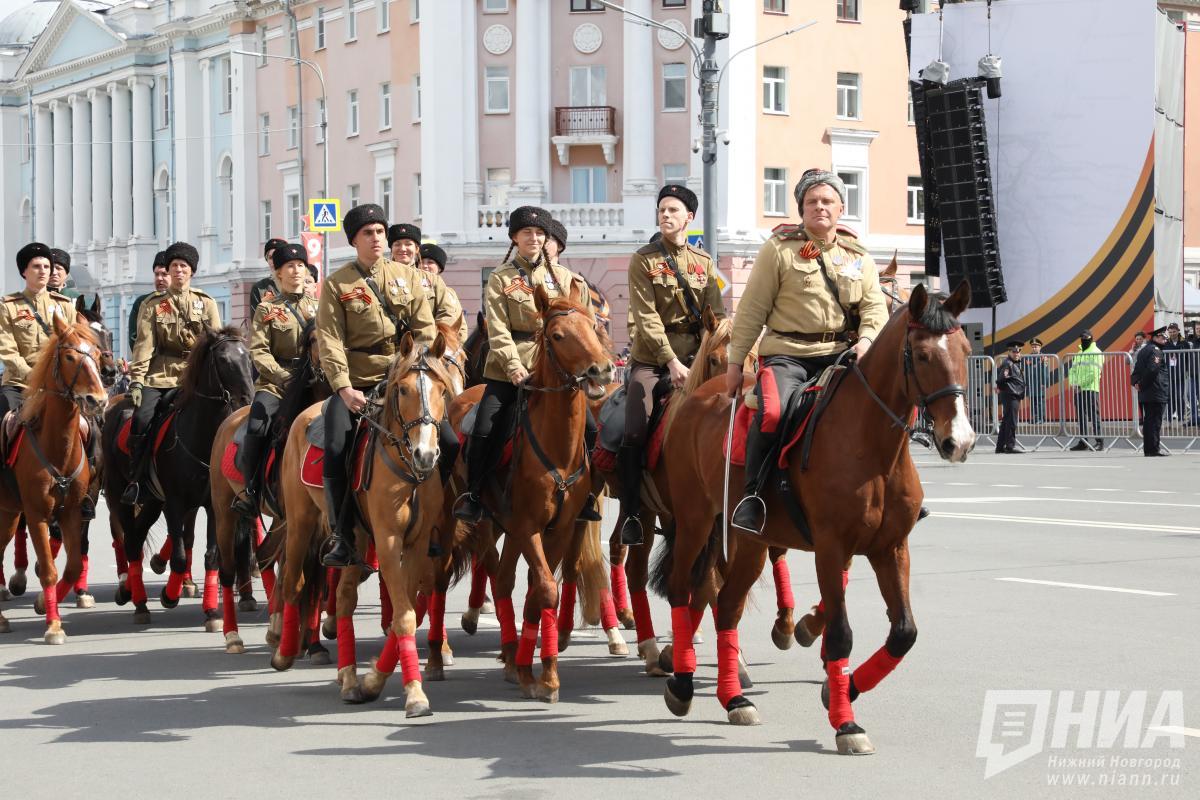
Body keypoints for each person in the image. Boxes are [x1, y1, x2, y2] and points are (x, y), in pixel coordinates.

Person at [726, 169, 888, 533]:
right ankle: (753, 496)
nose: (820, 207)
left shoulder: (858, 256)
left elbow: (875, 307)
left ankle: (894, 490)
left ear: (841, 207)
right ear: (801, 208)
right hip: (789, 354)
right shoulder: (778, 250)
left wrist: (866, 340)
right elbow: (752, 309)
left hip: (843, 354)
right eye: (812, 201)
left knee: (885, 407)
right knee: (773, 413)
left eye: (827, 200)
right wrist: (736, 362)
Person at [454, 206, 601, 525]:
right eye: (526, 233)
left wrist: (591, 362)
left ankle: (584, 493)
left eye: (539, 233)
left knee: (589, 427)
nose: (533, 238)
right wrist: (512, 367)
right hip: (511, 369)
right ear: (514, 238)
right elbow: (497, 327)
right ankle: (474, 494)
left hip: (559, 369)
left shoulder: (568, 280)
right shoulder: (500, 278)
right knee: (484, 427)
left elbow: (586, 327)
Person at [315, 204, 437, 568]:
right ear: (354, 240)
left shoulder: (408, 277)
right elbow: (329, 340)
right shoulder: (338, 284)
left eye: (380, 232)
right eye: (367, 233)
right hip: (358, 381)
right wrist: (342, 388)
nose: (376, 239)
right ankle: (341, 533)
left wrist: (414, 368)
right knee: (335, 442)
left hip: (402, 379)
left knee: (445, 439)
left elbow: (426, 329)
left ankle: (437, 524)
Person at [619, 184, 726, 544]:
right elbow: (646, 319)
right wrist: (671, 362)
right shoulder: (644, 260)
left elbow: (718, 316)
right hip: (652, 361)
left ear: (689, 218)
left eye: (673, 210)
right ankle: (632, 512)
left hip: (698, 357)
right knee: (634, 428)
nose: (665, 215)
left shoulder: (704, 263)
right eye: (662, 210)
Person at [123, 241, 222, 504]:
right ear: (167, 271)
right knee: (142, 419)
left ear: (192, 272)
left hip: (197, 376)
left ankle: (231, 477)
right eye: (174, 266)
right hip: (161, 376)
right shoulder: (153, 305)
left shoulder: (206, 303)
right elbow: (144, 346)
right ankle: (138, 478)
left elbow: (216, 345)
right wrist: (136, 382)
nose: (178, 271)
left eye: (184, 266)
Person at [232, 243, 320, 516]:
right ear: (278, 273)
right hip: (276, 383)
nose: (296, 271)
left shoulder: (320, 308)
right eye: (289, 267)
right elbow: (258, 351)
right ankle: (251, 490)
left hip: (315, 380)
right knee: (257, 426)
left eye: (300, 266)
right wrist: (283, 378)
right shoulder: (267, 309)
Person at [0, 242, 78, 423]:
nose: (43, 271)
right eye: (36, 266)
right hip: (20, 385)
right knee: (6, 421)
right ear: (24, 271)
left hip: (59, 385)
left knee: (89, 428)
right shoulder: (8, 307)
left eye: (47, 266)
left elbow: (75, 346)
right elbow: (7, 350)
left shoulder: (64, 305)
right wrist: (33, 376)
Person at [1131, 326, 1169, 456]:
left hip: (1146, 393)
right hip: (1156, 391)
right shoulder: (1156, 351)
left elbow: (1136, 370)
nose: (1165, 340)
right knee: (1154, 422)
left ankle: (1149, 449)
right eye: (1163, 338)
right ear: (1156, 337)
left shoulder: (1143, 350)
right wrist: (1141, 384)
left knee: (1148, 421)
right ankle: (1153, 449)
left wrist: (1136, 383)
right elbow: (1153, 370)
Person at [1067, 329, 1104, 451]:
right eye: (1082, 338)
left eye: (1086, 338)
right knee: (1081, 417)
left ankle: (1099, 442)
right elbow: (1072, 370)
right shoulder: (1079, 353)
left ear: (1091, 339)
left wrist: (1079, 384)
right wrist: (1074, 384)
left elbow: (1094, 373)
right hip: (1078, 389)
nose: (1083, 340)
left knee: (1094, 416)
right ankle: (1083, 441)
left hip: (1091, 389)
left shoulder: (1096, 352)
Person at [129, 252, 170, 352]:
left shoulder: (184, 300)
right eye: (156, 274)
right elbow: (134, 338)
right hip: (151, 363)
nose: (159, 278)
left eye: (164, 274)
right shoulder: (142, 302)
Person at [994, 341, 1025, 454]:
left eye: (1018, 352)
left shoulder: (1012, 363)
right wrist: (999, 387)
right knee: (1011, 421)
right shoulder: (1008, 364)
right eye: (1014, 352)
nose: (1017, 354)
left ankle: (1000, 446)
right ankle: (1010, 446)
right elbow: (1002, 378)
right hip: (1011, 395)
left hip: (1012, 394)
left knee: (1006, 421)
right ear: (1009, 352)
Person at [249, 238, 289, 311]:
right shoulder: (260, 288)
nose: (273, 261)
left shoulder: (296, 283)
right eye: (270, 257)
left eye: (277, 257)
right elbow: (256, 319)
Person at [1025, 337, 1049, 424]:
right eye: (1033, 347)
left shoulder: (1043, 358)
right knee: (1032, 401)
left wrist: (1044, 383)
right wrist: (1026, 383)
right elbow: (1027, 372)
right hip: (1031, 383)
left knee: (1039, 401)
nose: (1034, 348)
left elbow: (1045, 372)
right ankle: (1034, 417)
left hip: (1039, 383)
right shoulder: (1028, 358)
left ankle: (1041, 418)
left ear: (1040, 347)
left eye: (1036, 347)